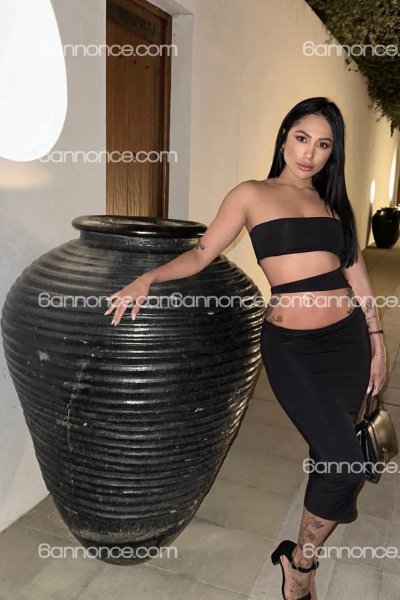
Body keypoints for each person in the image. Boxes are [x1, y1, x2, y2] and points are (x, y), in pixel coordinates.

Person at [104, 97, 387, 600]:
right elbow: (201, 254)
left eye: (324, 145)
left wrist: (376, 340)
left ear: (333, 153)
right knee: (345, 463)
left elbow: (358, 277)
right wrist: (148, 277)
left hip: (347, 344)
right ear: (284, 138)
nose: (310, 154)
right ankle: (300, 564)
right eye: (302, 138)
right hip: (293, 351)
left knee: (329, 452)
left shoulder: (333, 204)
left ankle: (300, 559)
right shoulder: (251, 194)